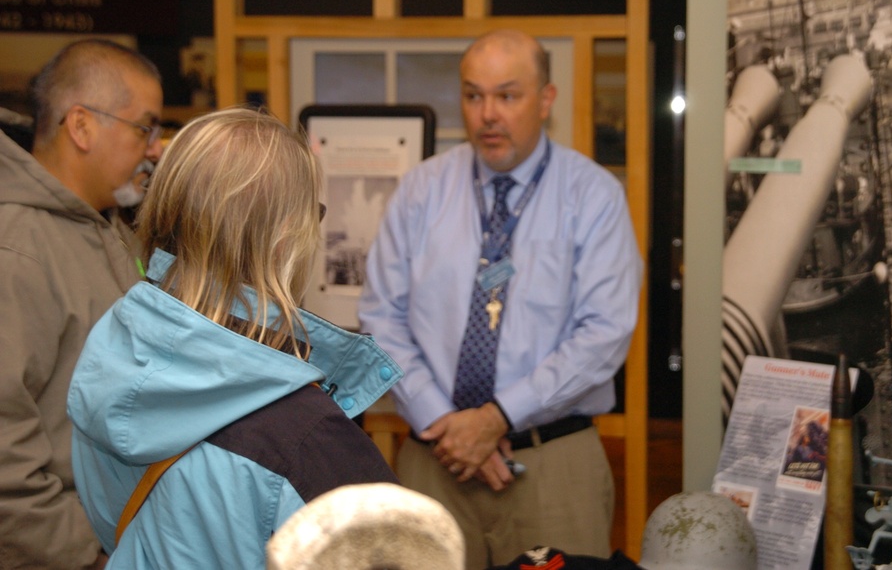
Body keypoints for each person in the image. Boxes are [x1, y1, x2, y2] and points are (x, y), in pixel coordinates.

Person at [66, 107, 402, 569]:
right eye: (313, 215)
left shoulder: (110, 360)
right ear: (286, 238)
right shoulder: (305, 439)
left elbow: (113, 521)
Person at [358, 29, 643, 568]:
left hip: (550, 464)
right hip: (432, 459)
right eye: (473, 95)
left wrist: (497, 418)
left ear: (546, 100)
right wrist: (446, 422)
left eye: (507, 96)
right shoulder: (421, 191)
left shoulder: (593, 196)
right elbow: (381, 318)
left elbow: (604, 334)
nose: (488, 113)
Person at [0, 38, 164, 569]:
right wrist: (85, 555)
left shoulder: (108, 230)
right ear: (82, 125)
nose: (154, 147)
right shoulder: (16, 248)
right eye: (145, 127)